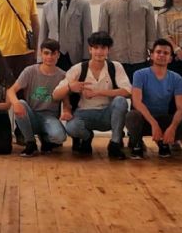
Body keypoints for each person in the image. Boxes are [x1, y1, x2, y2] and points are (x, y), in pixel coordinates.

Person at [52, 31, 132, 159]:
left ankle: (115, 143)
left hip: (107, 113)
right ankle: (87, 137)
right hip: (84, 113)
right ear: (90, 49)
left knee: (120, 101)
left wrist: (98, 92)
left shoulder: (115, 67)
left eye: (103, 48)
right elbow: (55, 95)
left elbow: (128, 91)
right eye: (95, 47)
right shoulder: (78, 68)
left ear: (108, 50)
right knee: (71, 128)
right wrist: (70, 87)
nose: (99, 52)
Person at [126, 39, 182, 159]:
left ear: (170, 58)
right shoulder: (139, 74)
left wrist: (172, 128)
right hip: (144, 118)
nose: (161, 55)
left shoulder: (177, 78)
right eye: (158, 52)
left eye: (166, 53)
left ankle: (164, 142)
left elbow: (181, 108)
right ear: (151, 55)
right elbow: (136, 102)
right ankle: (136, 143)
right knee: (132, 116)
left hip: (163, 118)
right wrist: (154, 124)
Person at [8, 39, 68, 157]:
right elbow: (11, 90)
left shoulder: (63, 75)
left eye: (53, 53)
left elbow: (66, 100)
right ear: (41, 53)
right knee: (20, 103)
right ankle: (30, 142)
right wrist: (15, 103)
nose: (49, 57)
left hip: (49, 117)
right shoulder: (30, 71)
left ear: (58, 55)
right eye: (46, 53)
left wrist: (67, 110)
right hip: (31, 115)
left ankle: (45, 137)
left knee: (59, 137)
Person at [99, 0, 156, 82]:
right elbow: (102, 34)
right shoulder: (106, 5)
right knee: (116, 92)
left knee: (138, 91)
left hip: (140, 60)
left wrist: (153, 55)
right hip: (115, 60)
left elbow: (151, 33)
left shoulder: (146, 4)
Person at [38, 0, 92, 71]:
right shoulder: (47, 7)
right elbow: (43, 34)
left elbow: (87, 33)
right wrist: (40, 58)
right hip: (52, 55)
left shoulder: (83, 5)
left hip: (75, 56)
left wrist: (87, 57)